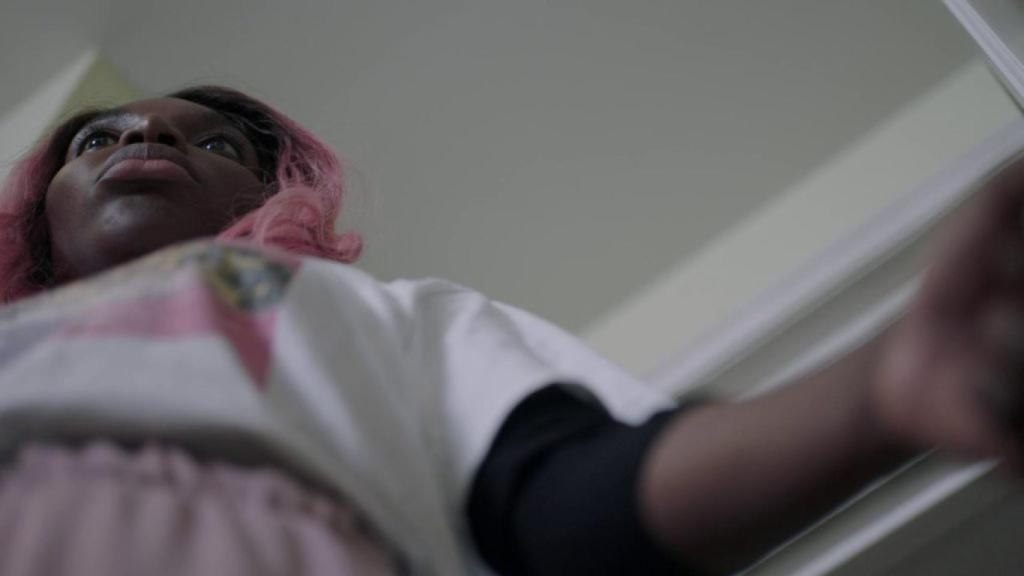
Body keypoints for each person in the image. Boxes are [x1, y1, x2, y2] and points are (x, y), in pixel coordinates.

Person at [0, 85, 1021, 576]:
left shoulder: (373, 316)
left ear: (270, 194)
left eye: (215, 139)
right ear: (38, 216)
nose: (147, 133)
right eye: (99, 137)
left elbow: (572, 503)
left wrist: (885, 386)